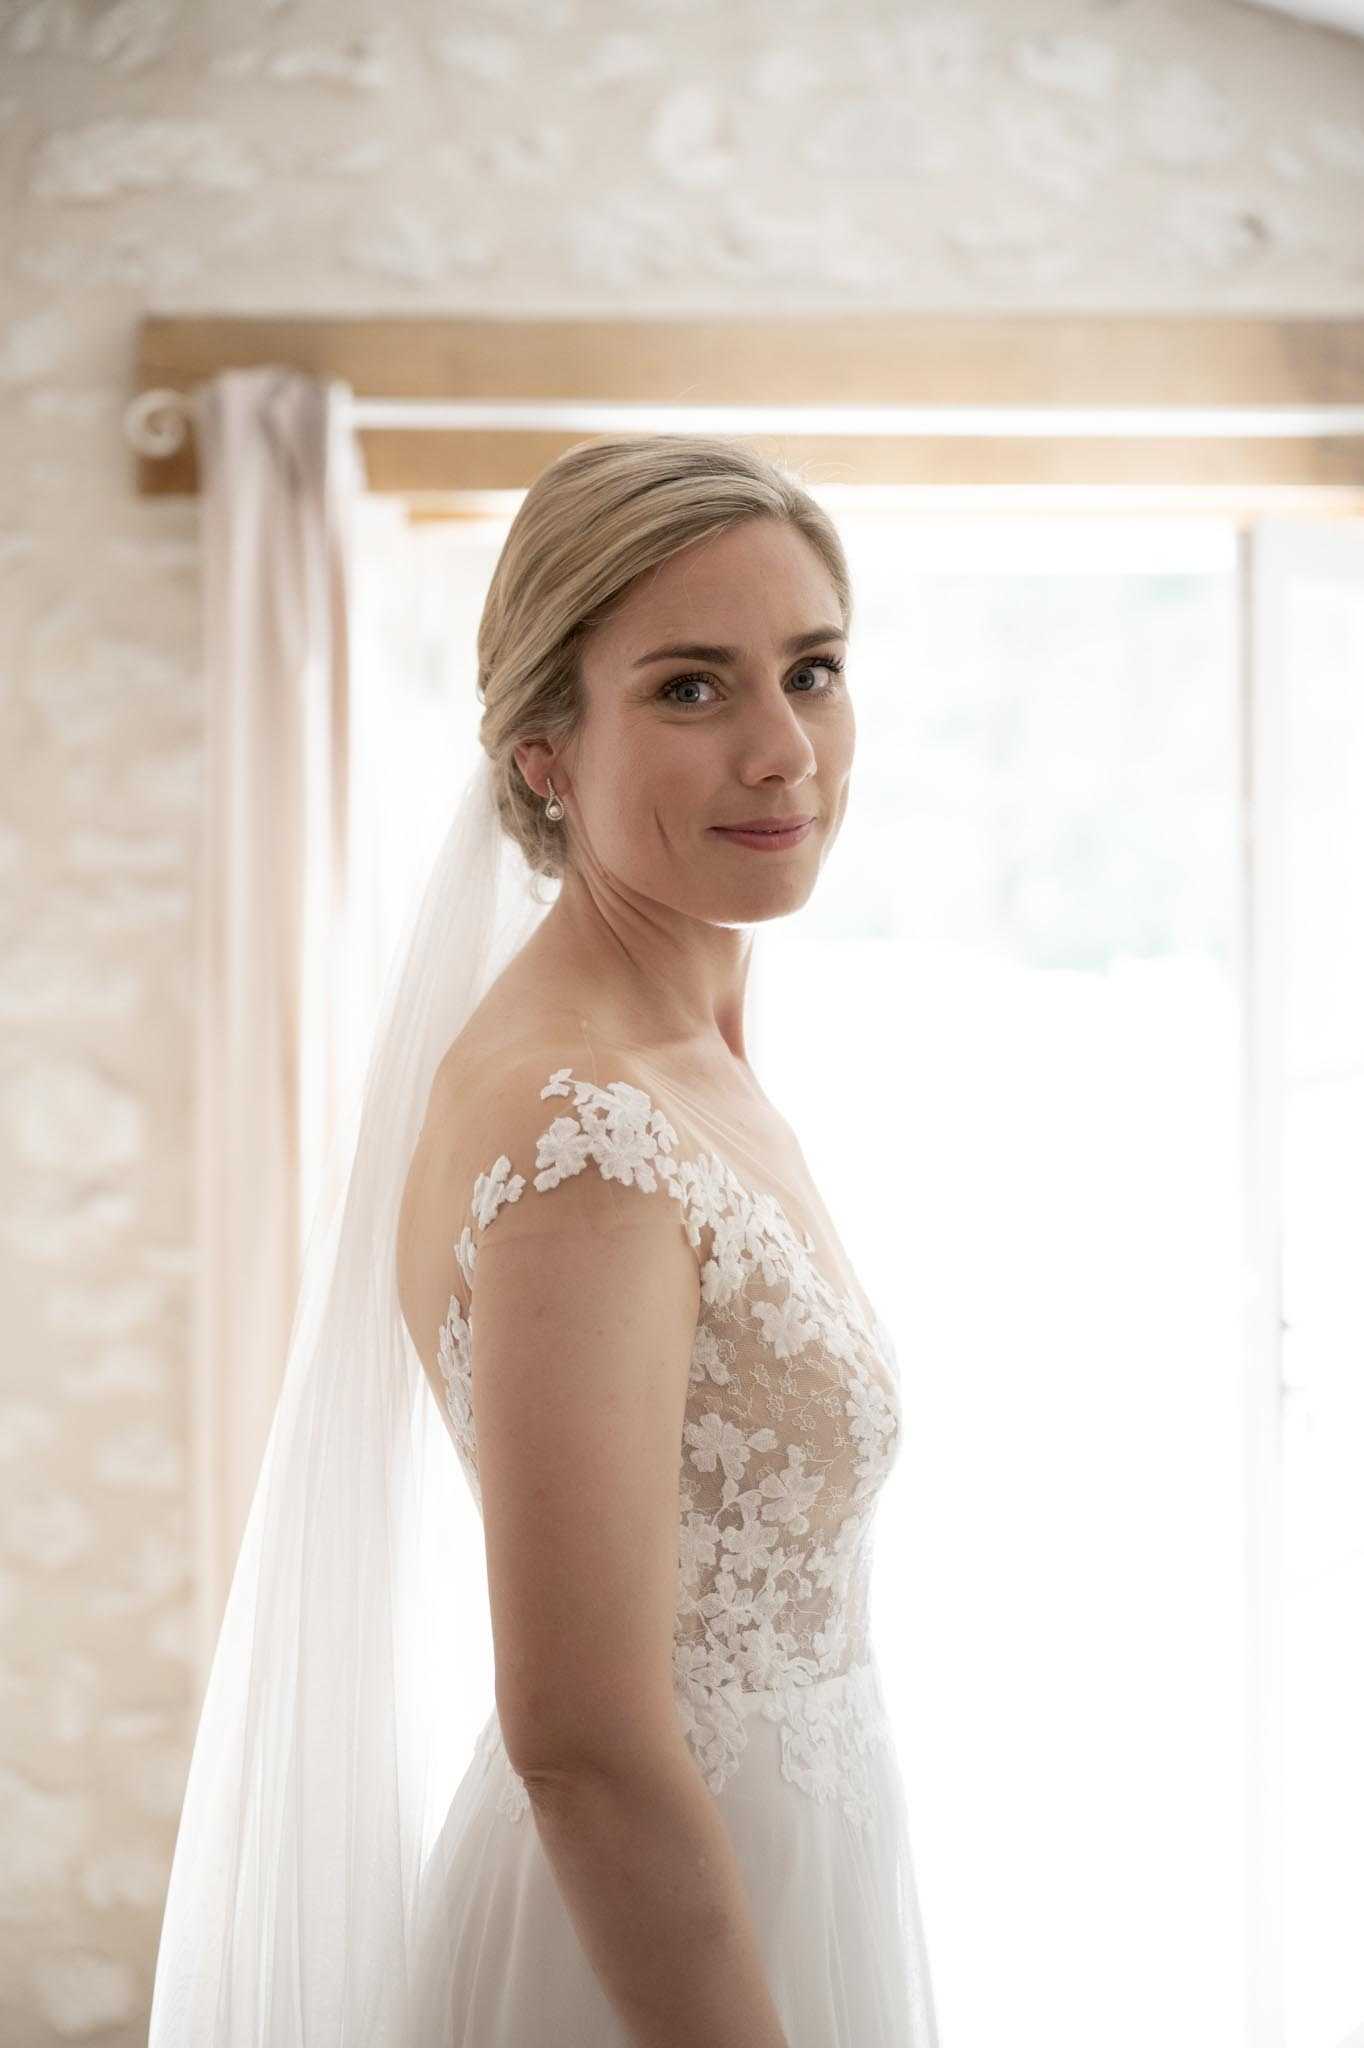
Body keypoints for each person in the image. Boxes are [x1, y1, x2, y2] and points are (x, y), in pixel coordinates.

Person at [394, 434, 939, 2045]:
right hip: (646, 1957)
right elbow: (579, 1736)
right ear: (546, 750)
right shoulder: (588, 1137)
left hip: (786, 1870)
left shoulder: (690, 1055)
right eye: (693, 689)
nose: (787, 752)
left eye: (814, 671)